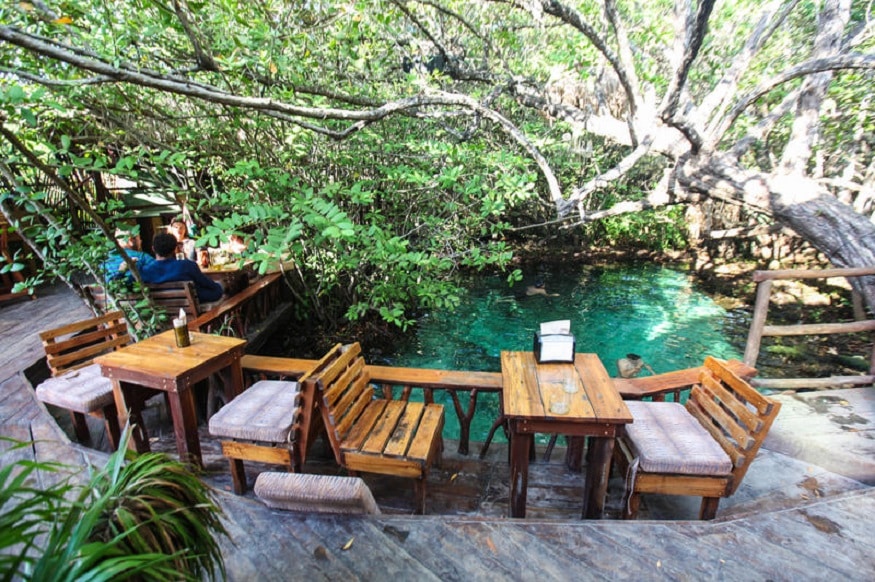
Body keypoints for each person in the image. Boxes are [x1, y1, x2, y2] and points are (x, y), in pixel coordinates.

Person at [140, 233, 224, 302]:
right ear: (174, 249)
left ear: (153, 249)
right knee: (219, 287)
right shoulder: (187, 265)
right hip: (191, 305)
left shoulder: (144, 271)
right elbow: (208, 284)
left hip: (162, 310)